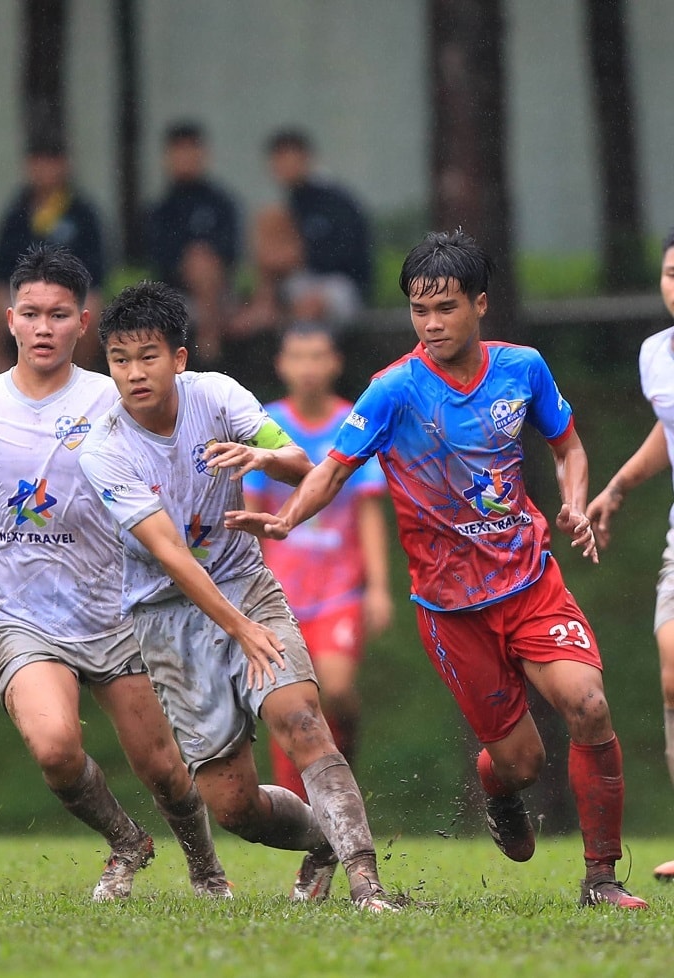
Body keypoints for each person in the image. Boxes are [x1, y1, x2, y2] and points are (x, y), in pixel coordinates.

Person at [226, 229, 649, 910]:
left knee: (589, 706)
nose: (432, 324)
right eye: (420, 311)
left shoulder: (524, 368)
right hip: (453, 611)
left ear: (480, 303)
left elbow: (567, 445)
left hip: (531, 582)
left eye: (446, 308)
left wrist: (572, 504)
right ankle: (497, 787)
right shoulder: (393, 389)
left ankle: (601, 878)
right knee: (521, 762)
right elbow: (332, 470)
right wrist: (286, 519)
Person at [78, 281, 399, 911]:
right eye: (119, 359)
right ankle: (325, 840)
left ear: (179, 357)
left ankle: (368, 884)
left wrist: (261, 456)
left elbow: (301, 465)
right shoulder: (103, 446)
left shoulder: (219, 396)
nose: (134, 372)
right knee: (234, 806)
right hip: (168, 620)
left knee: (304, 721)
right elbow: (171, 555)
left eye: (148, 355)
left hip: (246, 586)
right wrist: (238, 630)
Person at [0, 245, 228, 902]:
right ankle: (127, 842)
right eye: (32, 313)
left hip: (118, 608)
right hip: (22, 615)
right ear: (9, 319)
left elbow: (174, 476)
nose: (44, 327)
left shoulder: (115, 400)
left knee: (163, 768)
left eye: (59, 315)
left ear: (82, 323)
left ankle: (206, 868)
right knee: (55, 748)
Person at [243, 321, 392, 798]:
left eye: (318, 356)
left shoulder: (355, 423)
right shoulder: (264, 425)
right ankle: (303, 810)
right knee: (287, 703)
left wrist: (380, 589)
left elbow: (369, 512)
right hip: (277, 594)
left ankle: (341, 757)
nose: (308, 368)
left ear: (335, 363)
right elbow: (252, 513)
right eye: (298, 356)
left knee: (337, 689)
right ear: (281, 365)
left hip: (339, 591)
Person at [587, 228, 674, 884]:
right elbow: (667, 430)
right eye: (670, 273)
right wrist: (617, 485)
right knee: (671, 669)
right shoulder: (656, 354)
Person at [0, 137, 106, 376]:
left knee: (92, 307)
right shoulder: (17, 211)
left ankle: (73, 381)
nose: (45, 170)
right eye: (38, 163)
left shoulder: (83, 213)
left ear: (65, 166)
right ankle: (5, 379)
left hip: (68, 296)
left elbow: (96, 270)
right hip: (20, 296)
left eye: (51, 162)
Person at [232, 128, 371, 342]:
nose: (285, 167)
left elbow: (348, 256)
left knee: (310, 304)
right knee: (269, 218)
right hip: (300, 282)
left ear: (306, 158)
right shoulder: (289, 203)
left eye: (290, 158)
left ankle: (309, 366)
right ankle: (264, 305)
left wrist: (298, 255)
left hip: (341, 284)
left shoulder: (336, 201)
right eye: (279, 160)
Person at [143, 121, 239, 366]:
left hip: (221, 293)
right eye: (179, 152)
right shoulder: (160, 209)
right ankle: (210, 341)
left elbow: (231, 252)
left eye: (191, 151)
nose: (185, 158)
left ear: (203, 154)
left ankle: (209, 335)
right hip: (174, 293)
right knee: (197, 262)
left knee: (204, 262)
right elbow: (157, 259)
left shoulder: (221, 202)